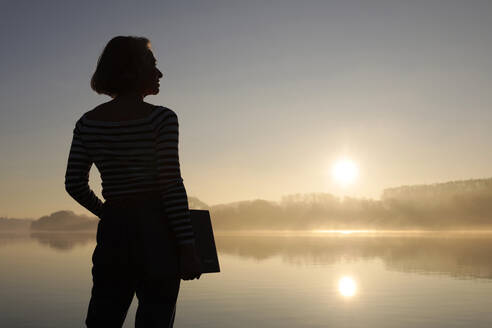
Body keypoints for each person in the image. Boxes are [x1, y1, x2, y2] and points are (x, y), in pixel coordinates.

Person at [64, 36, 202, 327]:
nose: (160, 73)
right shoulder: (161, 119)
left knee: (103, 319)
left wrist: (110, 213)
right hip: (158, 233)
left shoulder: (87, 123)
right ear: (132, 70)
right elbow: (170, 184)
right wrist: (188, 246)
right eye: (152, 64)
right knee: (155, 319)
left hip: (114, 233)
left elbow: (74, 183)